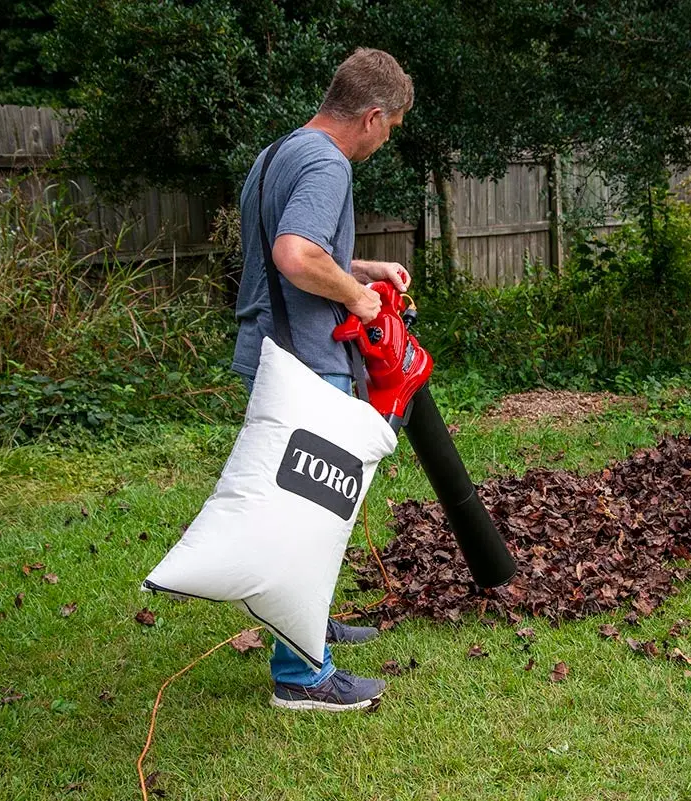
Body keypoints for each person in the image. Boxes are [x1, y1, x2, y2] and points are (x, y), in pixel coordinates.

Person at [232, 48, 413, 712]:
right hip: (306, 361)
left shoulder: (278, 152)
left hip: (273, 351)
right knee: (310, 514)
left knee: (303, 506)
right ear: (370, 115)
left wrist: (361, 270)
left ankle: (308, 624)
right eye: (388, 127)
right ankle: (302, 674)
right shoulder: (328, 163)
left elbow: (300, 250)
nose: (383, 140)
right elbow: (294, 254)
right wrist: (360, 301)